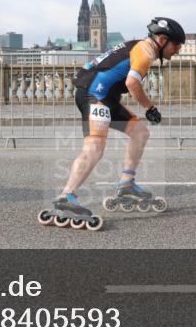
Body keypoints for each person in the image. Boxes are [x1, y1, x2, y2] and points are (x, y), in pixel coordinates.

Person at [38, 17, 185, 232]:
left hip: (104, 96)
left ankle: (126, 184)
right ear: (162, 40)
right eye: (177, 45)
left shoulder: (138, 46)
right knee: (95, 147)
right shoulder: (146, 51)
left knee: (140, 132)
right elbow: (132, 83)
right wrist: (150, 108)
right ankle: (66, 197)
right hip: (94, 95)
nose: (178, 50)